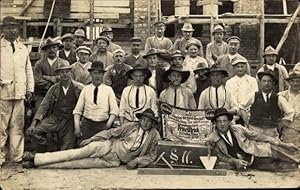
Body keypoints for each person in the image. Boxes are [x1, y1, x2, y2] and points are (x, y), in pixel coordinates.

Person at [22, 109, 161, 169]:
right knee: (74, 154)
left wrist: (136, 160)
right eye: (144, 120)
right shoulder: (131, 126)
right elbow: (110, 133)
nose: (145, 123)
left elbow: (153, 155)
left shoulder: (154, 135)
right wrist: (92, 139)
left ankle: (35, 164)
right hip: (107, 146)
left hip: (114, 161)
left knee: (75, 165)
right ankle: (35, 157)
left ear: (153, 123)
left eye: (149, 121)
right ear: (140, 119)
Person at [206, 108, 298, 171]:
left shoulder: (238, 129)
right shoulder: (212, 139)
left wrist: (285, 145)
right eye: (219, 121)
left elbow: (259, 136)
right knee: (287, 168)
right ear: (215, 123)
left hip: (259, 152)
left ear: (229, 121)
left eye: (224, 121)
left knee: (293, 159)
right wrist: (234, 161)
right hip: (253, 165)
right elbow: (220, 157)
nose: (222, 124)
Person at [27, 61, 84, 153]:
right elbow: (44, 106)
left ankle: (59, 149)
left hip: (70, 120)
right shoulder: (54, 89)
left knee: (66, 150)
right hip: (55, 119)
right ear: (58, 74)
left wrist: (80, 122)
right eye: (62, 72)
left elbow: (86, 104)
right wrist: (33, 123)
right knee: (34, 132)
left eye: (67, 72)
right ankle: (49, 147)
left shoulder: (79, 88)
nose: (65, 74)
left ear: (70, 72)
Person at [0, 16, 35, 167]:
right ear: (3, 30)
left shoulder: (23, 49)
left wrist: (29, 89)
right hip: (3, 94)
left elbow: (28, 71)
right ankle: (0, 158)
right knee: (1, 128)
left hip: (19, 94)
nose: (12, 30)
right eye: (8, 27)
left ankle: (16, 157)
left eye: (14, 27)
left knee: (17, 127)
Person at [73, 61, 119, 143]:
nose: (97, 76)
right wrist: (77, 127)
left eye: (100, 73)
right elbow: (77, 110)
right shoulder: (86, 89)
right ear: (91, 74)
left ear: (103, 75)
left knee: (100, 150)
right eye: (95, 73)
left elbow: (114, 111)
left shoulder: (108, 90)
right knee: (84, 149)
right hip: (87, 126)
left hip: (103, 125)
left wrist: (107, 125)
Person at [248, 70, 294, 138]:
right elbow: (241, 107)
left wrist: (281, 123)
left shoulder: (278, 98)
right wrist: (247, 121)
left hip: (271, 132)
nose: (266, 83)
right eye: (264, 81)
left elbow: (290, 112)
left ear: (273, 83)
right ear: (260, 82)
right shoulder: (253, 95)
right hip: (255, 130)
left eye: (269, 81)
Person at [34, 37, 68, 110]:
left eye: (54, 47)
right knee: (39, 110)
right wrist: (55, 81)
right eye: (49, 48)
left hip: (60, 94)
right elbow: (37, 81)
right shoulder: (39, 64)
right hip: (42, 94)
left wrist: (47, 78)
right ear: (45, 50)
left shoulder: (64, 63)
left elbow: (66, 80)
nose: (51, 50)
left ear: (57, 49)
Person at [225, 55, 259, 125]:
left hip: (248, 111)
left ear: (245, 67)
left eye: (242, 66)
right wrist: (236, 108)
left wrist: (242, 106)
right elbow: (229, 97)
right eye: (238, 67)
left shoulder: (252, 80)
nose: (240, 69)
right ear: (234, 68)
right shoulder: (229, 82)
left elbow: (254, 95)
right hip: (234, 112)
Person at [279, 70, 300, 157]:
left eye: (298, 81)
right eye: (292, 81)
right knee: (290, 152)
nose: (295, 83)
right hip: (288, 126)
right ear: (288, 82)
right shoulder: (282, 95)